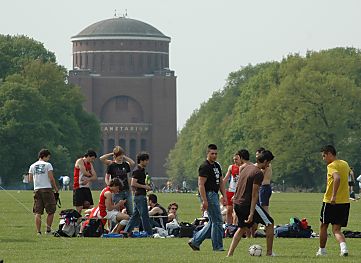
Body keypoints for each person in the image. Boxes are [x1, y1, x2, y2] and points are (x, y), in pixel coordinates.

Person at [227, 150, 275, 257]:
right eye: (268, 163)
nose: (268, 166)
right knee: (270, 223)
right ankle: (269, 253)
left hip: (237, 203)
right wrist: (252, 213)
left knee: (242, 228)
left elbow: (238, 185)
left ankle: (229, 255)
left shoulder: (246, 167)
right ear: (265, 161)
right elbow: (254, 195)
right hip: (246, 204)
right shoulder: (258, 173)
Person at [188, 144, 226, 252]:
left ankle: (195, 241)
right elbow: (201, 184)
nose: (214, 156)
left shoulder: (217, 166)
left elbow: (221, 182)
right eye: (212, 153)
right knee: (218, 221)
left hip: (215, 193)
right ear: (207, 153)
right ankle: (218, 247)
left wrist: (224, 195)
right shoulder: (205, 166)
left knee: (213, 221)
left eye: (216, 154)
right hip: (208, 194)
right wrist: (204, 201)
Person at [316, 145, 350, 257]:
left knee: (323, 225)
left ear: (330, 153)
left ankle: (322, 250)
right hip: (344, 201)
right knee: (336, 229)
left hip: (331, 201)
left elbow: (337, 178)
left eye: (324, 156)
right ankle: (343, 248)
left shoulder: (331, 166)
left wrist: (333, 195)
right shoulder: (345, 164)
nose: (323, 158)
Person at [28, 149, 59, 235]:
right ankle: (48, 230)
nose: (48, 159)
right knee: (51, 210)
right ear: (44, 156)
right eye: (48, 157)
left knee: (38, 212)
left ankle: (38, 232)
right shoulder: (48, 165)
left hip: (37, 189)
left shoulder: (32, 166)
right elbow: (51, 178)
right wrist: (56, 188)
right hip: (47, 189)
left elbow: (30, 179)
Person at [100, 146, 135, 215]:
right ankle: (114, 226)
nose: (120, 157)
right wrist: (109, 186)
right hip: (117, 192)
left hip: (127, 191)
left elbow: (133, 163)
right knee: (116, 212)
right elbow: (106, 177)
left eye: (121, 155)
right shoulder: (111, 165)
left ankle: (131, 226)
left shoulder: (125, 164)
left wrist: (124, 156)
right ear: (115, 156)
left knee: (131, 211)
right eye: (119, 155)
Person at [124, 152, 153, 235]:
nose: (147, 162)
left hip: (139, 196)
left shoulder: (142, 170)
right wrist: (145, 187)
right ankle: (149, 233)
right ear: (141, 161)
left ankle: (126, 232)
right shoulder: (137, 170)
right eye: (146, 160)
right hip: (140, 196)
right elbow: (133, 183)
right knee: (144, 216)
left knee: (135, 216)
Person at [73, 150, 97, 214]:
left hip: (86, 187)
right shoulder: (80, 161)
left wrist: (88, 179)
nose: (93, 160)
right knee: (79, 207)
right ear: (88, 156)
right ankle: (76, 223)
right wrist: (91, 175)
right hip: (78, 187)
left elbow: (95, 177)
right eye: (92, 159)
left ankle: (88, 222)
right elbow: (84, 172)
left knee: (90, 206)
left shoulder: (90, 164)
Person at [256, 147, 273, 214]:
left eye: (258, 155)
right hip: (265, 187)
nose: (257, 156)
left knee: (264, 207)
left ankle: (268, 222)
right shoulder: (267, 164)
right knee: (261, 207)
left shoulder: (266, 165)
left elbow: (260, 174)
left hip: (264, 187)